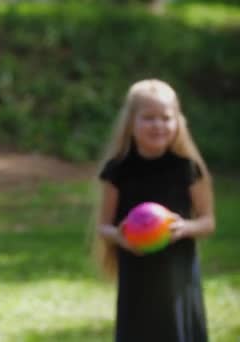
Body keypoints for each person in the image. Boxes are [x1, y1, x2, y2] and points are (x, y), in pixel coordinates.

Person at [94, 79, 215, 341]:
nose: (158, 125)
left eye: (166, 117)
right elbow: (103, 226)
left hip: (177, 276)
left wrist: (184, 228)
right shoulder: (119, 170)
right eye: (148, 118)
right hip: (137, 276)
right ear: (131, 122)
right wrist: (121, 238)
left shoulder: (187, 168)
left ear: (177, 122)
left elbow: (208, 221)